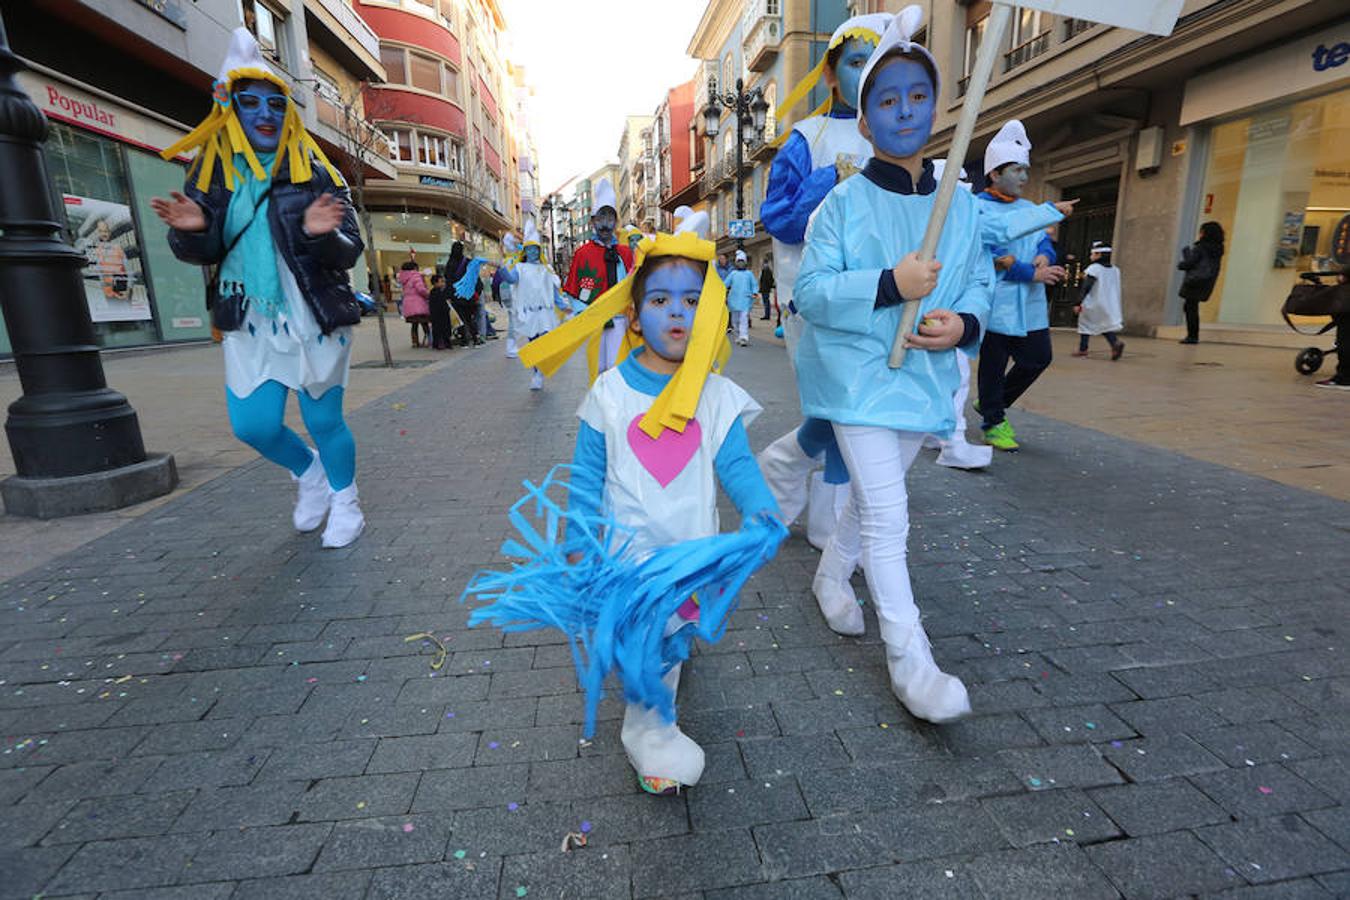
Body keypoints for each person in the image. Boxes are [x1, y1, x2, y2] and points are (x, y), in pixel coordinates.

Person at [519, 210, 780, 793]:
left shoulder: (714, 395)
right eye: (660, 300)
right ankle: (649, 730)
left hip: (691, 553)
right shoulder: (608, 393)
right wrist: (578, 541)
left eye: (691, 301)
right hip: (629, 556)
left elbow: (735, 463)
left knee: (676, 634)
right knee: (650, 642)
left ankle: (665, 682)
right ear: (634, 317)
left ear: (709, 311)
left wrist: (761, 507)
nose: (678, 313)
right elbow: (587, 476)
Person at [794, 8, 991, 722]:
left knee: (873, 505)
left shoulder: (958, 207)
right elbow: (811, 293)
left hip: (924, 382)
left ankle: (828, 578)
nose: (903, 109)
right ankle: (912, 660)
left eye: (915, 95)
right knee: (891, 514)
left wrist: (960, 322)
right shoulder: (841, 204)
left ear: (934, 108)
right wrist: (888, 285)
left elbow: (976, 285)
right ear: (865, 120)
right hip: (855, 383)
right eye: (885, 99)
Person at [151, 28, 365, 548]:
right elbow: (198, 253)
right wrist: (194, 230)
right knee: (253, 425)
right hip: (249, 313)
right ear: (232, 111)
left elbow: (350, 248)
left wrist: (322, 235)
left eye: (275, 103)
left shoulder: (316, 172)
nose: (265, 114)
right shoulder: (212, 173)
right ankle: (310, 475)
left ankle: (346, 501)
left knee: (323, 418)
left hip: (313, 311)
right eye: (250, 103)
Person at [755, 11, 892, 551]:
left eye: (874, 64)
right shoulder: (803, 139)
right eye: (857, 63)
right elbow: (779, 220)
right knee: (841, 407)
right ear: (832, 74)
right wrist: (826, 178)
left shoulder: (891, 138)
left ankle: (784, 469)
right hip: (811, 300)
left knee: (847, 408)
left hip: (876, 298)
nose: (867, 74)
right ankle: (827, 517)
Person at [974, 120, 1075, 452]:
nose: (1023, 177)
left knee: (1038, 358)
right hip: (996, 299)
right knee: (993, 364)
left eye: (1025, 171)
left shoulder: (1031, 209)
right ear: (994, 173)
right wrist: (1028, 274)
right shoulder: (975, 207)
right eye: (1016, 170)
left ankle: (992, 403)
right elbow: (990, 252)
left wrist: (1045, 257)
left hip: (1029, 302)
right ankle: (993, 421)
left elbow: (1043, 241)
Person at [563, 177, 634, 381]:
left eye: (610, 219)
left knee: (617, 365)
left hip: (621, 320)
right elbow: (573, 289)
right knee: (599, 366)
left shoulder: (626, 253)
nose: (605, 225)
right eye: (600, 219)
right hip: (595, 321)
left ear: (616, 222)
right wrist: (587, 314)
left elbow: (634, 284)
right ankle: (600, 405)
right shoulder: (583, 253)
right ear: (593, 221)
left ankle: (616, 406)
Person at [500, 219, 565, 390]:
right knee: (534, 343)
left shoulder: (546, 269)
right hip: (529, 314)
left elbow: (552, 290)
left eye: (535, 249)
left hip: (545, 313)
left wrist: (564, 305)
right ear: (525, 251)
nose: (533, 252)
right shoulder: (519, 268)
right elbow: (511, 279)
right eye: (529, 249)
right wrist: (502, 270)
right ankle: (538, 372)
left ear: (539, 251)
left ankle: (540, 371)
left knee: (543, 344)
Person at [1072, 241, 1124, 359]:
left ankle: (1083, 349)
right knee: (1104, 325)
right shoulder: (1115, 269)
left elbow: (1087, 286)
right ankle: (1115, 343)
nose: (1091, 256)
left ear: (1098, 255)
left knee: (1085, 324)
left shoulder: (1094, 268)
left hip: (1093, 302)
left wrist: (1078, 302)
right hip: (1109, 303)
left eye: (1093, 254)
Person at [1178, 221, 1225, 344]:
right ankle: (1193, 335)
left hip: (1194, 281)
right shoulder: (1218, 249)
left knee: (1190, 307)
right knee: (1192, 306)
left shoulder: (1201, 247)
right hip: (1206, 281)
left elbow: (1190, 263)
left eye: (1202, 231)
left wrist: (1182, 263)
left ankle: (1192, 336)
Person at [445, 241, 482, 346]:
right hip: (469, 294)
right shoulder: (468, 262)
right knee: (469, 317)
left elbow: (448, 281)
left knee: (460, 318)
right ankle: (476, 337)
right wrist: (477, 293)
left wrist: (448, 296)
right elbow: (476, 279)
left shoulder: (450, 264)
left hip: (457, 295)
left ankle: (464, 340)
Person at [724, 250, 758, 346]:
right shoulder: (733, 274)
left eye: (742, 261)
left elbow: (754, 284)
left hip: (745, 300)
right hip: (734, 301)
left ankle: (744, 337)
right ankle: (738, 335)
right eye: (739, 261)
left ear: (745, 262)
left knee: (744, 319)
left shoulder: (749, 274)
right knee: (735, 320)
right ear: (736, 263)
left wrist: (755, 292)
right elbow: (725, 284)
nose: (740, 263)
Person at [397, 255, 431, 348]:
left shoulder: (403, 278)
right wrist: (428, 295)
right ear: (415, 268)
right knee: (425, 323)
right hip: (418, 304)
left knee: (414, 325)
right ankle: (430, 340)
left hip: (408, 304)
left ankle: (415, 342)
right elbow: (421, 289)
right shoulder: (416, 276)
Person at [427, 272, 453, 350]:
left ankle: (446, 342)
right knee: (439, 329)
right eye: (441, 281)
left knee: (445, 328)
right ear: (435, 283)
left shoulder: (442, 291)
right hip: (438, 314)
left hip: (443, 314)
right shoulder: (434, 292)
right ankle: (439, 343)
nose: (443, 283)